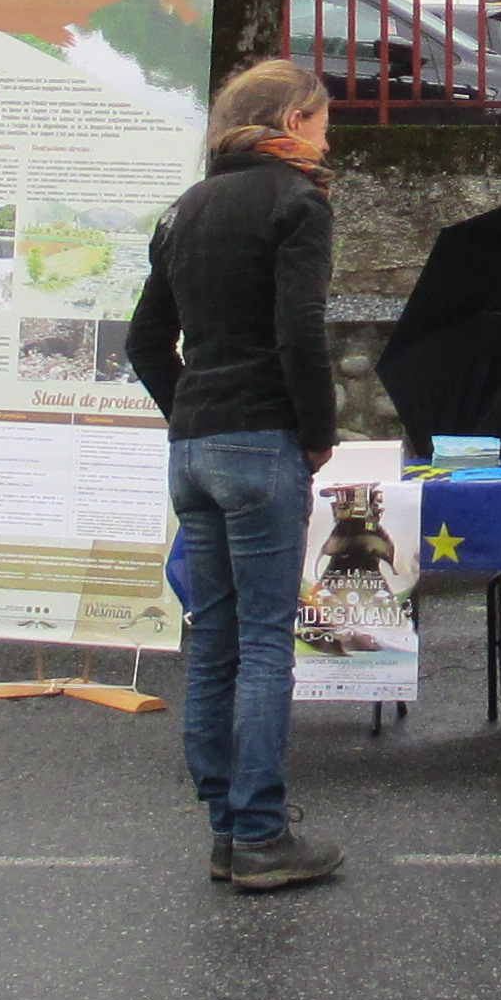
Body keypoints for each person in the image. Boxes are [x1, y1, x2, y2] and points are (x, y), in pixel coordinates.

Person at [125, 60, 343, 893]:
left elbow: (146, 342)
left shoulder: (184, 211)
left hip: (193, 447)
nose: (328, 140)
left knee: (211, 642)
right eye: (321, 123)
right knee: (263, 644)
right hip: (262, 442)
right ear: (291, 122)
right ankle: (260, 835)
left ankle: (225, 831)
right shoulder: (296, 203)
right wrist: (316, 434)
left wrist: (192, 412)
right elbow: (300, 334)